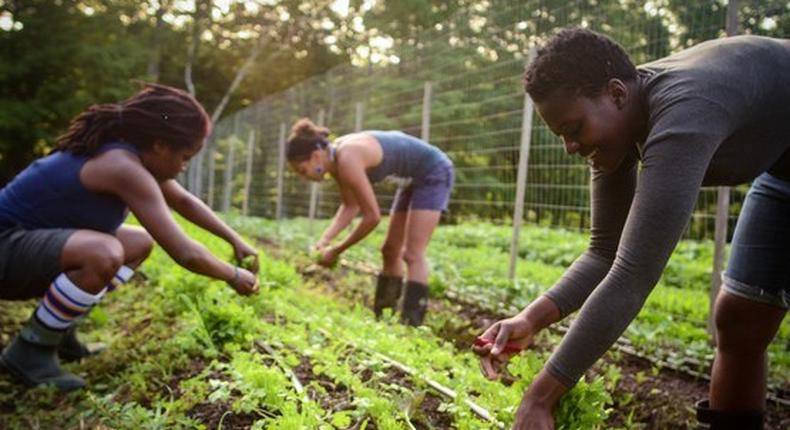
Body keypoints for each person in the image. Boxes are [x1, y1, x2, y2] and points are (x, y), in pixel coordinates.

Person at [473, 28, 789, 430]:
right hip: (782, 173)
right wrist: (531, 319)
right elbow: (604, 253)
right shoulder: (616, 132)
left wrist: (540, 398)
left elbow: (633, 274)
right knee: (740, 318)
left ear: (617, 94)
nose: (570, 147)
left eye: (573, 129)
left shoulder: (683, 112)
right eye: (561, 136)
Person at [0, 83, 260, 391]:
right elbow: (184, 252)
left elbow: (185, 202)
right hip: (6, 248)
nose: (184, 166)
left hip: (20, 246)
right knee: (103, 252)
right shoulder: (121, 166)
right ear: (160, 145)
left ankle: (57, 329)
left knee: (136, 244)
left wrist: (235, 240)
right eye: (185, 155)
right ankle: (30, 351)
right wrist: (232, 274)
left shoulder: (132, 155)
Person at [286, 119, 454, 326]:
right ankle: (383, 319)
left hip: (433, 171)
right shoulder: (336, 160)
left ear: (315, 156)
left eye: (303, 170)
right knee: (390, 250)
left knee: (412, 254)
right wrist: (325, 240)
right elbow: (350, 206)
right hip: (411, 179)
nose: (306, 178)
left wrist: (336, 250)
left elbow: (372, 217)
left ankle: (412, 325)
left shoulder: (347, 159)